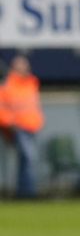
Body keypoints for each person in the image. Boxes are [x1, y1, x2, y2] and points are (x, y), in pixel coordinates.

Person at [0, 56, 45, 198]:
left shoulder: (31, 84)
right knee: (28, 158)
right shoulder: (8, 86)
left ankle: (24, 192)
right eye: (20, 67)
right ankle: (28, 192)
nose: (24, 69)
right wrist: (9, 124)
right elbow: (2, 109)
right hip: (18, 128)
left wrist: (38, 121)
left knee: (26, 161)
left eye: (25, 66)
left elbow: (33, 107)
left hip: (32, 128)